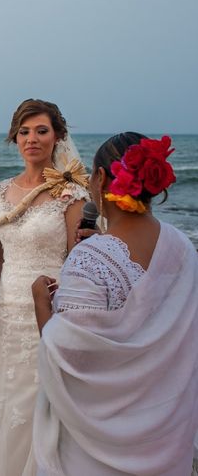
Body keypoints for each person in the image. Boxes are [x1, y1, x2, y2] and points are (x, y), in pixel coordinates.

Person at [31, 133, 198, 475]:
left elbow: (70, 360)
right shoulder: (183, 249)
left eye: (92, 175)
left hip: (97, 449)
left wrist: (41, 304)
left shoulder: (90, 258)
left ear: (102, 179)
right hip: (165, 434)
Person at [0, 100, 86, 476]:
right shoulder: (1, 192)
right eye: (24, 131)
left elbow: (77, 260)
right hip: (8, 310)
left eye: (41, 131)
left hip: (49, 305)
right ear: (15, 138)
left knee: (42, 394)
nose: (32, 139)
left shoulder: (71, 195)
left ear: (57, 138)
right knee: (8, 391)